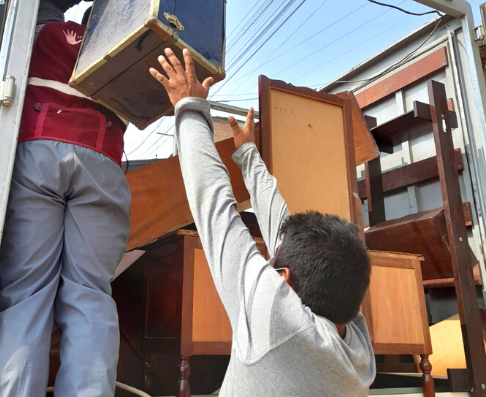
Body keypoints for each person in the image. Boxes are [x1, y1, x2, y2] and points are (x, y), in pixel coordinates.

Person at [149, 48, 376, 396]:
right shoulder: (357, 349)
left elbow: (215, 205)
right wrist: (247, 154)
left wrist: (189, 106)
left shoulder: (275, 323)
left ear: (283, 281)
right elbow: (280, 226)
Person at [0, 0, 132, 397]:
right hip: (103, 161)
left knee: (27, 292)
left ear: (83, 20)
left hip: (38, 152)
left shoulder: (49, 30)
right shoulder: (125, 55)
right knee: (89, 293)